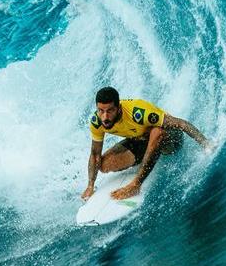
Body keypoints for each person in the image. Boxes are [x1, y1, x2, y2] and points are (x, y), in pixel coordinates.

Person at [81, 86, 212, 201]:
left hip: (170, 140)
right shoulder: (97, 121)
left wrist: (206, 144)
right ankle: (145, 159)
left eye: (110, 111)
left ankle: (136, 184)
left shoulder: (138, 113)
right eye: (101, 111)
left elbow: (181, 124)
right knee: (104, 165)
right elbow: (95, 154)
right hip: (141, 140)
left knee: (156, 132)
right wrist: (90, 185)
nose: (104, 117)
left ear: (118, 108)